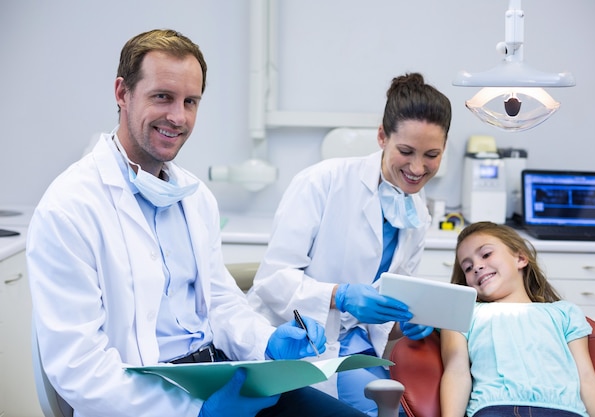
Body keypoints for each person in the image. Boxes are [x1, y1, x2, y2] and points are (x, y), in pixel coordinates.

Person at [26, 29, 371, 417]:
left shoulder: (194, 197)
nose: (178, 116)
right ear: (122, 93)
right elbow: (79, 368)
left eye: (190, 101)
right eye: (163, 97)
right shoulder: (70, 208)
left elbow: (220, 302)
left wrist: (267, 341)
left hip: (223, 377)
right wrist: (197, 413)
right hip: (146, 399)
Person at [246, 72, 452, 415]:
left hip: (356, 349)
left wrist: (407, 321)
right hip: (301, 340)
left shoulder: (417, 213)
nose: (418, 167)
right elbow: (272, 280)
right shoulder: (322, 182)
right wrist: (340, 295)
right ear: (382, 136)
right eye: (406, 151)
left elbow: (385, 306)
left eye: (432, 154)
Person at [440, 222, 595, 417]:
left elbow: (587, 379)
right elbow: (456, 372)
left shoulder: (564, 312)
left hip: (566, 411)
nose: (477, 267)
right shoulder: (464, 312)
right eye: (468, 267)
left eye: (486, 254)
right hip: (496, 409)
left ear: (521, 258)